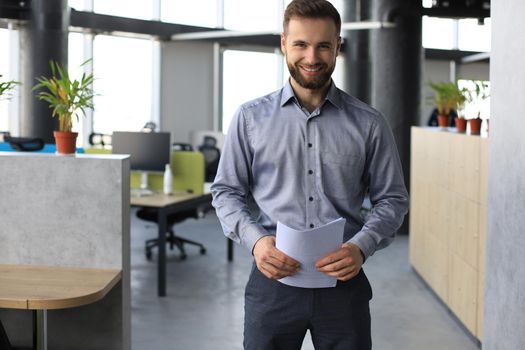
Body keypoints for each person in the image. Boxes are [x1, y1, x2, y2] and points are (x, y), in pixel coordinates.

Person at [211, 0, 409, 348]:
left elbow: (392, 200)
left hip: (343, 287)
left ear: (338, 47)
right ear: (284, 43)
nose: (311, 56)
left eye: (323, 45)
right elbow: (226, 191)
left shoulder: (369, 124)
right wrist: (256, 242)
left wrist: (361, 248)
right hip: (272, 282)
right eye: (301, 44)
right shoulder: (249, 119)